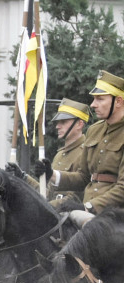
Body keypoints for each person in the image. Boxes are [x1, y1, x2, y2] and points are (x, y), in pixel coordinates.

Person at [51, 71, 124, 214]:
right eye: (94, 99)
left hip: (115, 216)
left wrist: (89, 207)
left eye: (100, 99)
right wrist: (51, 174)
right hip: (87, 211)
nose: (93, 105)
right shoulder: (94, 130)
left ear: (119, 101)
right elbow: (83, 177)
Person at [23, 98, 90, 207]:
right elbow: (47, 193)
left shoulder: (85, 152)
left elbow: (76, 197)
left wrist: (47, 208)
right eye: (58, 122)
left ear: (79, 124)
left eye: (63, 122)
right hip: (55, 213)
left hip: (70, 215)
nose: (57, 126)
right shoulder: (59, 155)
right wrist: (23, 177)